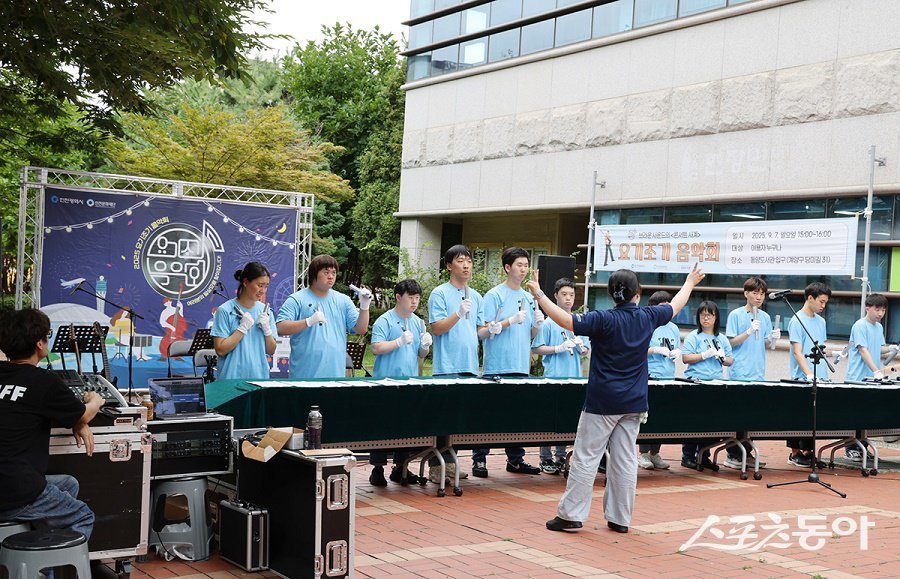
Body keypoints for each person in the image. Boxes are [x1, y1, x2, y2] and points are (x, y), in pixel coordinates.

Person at [532, 264, 705, 533]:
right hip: (634, 402)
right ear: (638, 293)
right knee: (624, 460)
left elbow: (566, 321)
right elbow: (675, 306)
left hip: (602, 401)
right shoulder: (648, 316)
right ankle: (620, 518)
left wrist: (540, 295)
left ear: (611, 294)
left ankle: (571, 515)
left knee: (586, 457)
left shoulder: (602, 319)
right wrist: (690, 282)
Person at [0, 308, 104, 542]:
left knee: (68, 484)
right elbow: (84, 414)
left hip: (8, 483)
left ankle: (43, 545)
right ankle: (53, 563)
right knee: (84, 516)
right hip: (14, 491)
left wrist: (77, 420)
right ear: (39, 343)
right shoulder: (44, 381)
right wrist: (94, 401)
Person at [475, 247, 545, 477]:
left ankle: (515, 460)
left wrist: (538, 324)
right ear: (507, 267)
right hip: (497, 365)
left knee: (517, 415)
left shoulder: (528, 297)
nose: (523, 269)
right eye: (519, 265)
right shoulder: (494, 295)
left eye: (526, 265)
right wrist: (507, 322)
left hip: (520, 365)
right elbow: (483, 331)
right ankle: (479, 460)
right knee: (488, 415)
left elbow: (531, 335)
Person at [368, 279, 432, 486]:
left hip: (408, 381)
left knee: (405, 425)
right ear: (398, 297)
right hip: (385, 382)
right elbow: (376, 348)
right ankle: (377, 468)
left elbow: (420, 354)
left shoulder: (418, 322)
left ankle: (400, 467)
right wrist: (398, 342)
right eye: (410, 297)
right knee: (382, 425)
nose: (414, 302)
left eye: (417, 298)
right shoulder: (385, 320)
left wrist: (425, 346)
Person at [428, 245, 483, 484]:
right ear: (449, 265)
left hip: (469, 365)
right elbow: (438, 328)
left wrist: (493, 329)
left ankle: (450, 463)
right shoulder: (439, 293)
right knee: (443, 417)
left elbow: (479, 330)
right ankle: (436, 466)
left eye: (469, 261)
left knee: (459, 418)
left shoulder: (476, 296)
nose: (466, 265)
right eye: (460, 261)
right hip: (447, 366)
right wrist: (458, 313)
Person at [531, 278, 591, 474]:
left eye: (571, 295)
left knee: (567, 418)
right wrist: (558, 348)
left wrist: (582, 348)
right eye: (564, 294)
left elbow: (586, 349)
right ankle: (545, 457)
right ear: (555, 295)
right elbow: (537, 348)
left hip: (573, 377)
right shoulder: (549, 322)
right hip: (554, 376)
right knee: (550, 417)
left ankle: (561, 456)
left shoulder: (578, 322)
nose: (568, 299)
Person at [276, 255, 372, 379]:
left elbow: (361, 329)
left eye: (334, 272)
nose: (331, 276)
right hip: (304, 375)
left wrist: (364, 306)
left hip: (335, 375)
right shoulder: (296, 299)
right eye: (326, 272)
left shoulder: (344, 300)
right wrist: (308, 321)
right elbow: (280, 327)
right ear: (314, 274)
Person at [723, 277, 778, 469]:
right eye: (755, 293)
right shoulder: (736, 315)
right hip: (739, 371)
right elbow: (730, 343)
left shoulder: (765, 317)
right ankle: (733, 454)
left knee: (751, 416)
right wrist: (748, 331)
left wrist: (773, 338)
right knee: (737, 415)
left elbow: (767, 344)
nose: (759, 297)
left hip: (757, 372)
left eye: (762, 294)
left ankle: (747, 452)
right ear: (746, 293)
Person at [681, 300, 733, 470]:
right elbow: (686, 358)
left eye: (709, 315)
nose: (706, 318)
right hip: (696, 382)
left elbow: (730, 360)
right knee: (693, 420)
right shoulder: (693, 336)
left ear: (716, 317)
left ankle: (704, 455)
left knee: (710, 421)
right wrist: (704, 355)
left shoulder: (722, 338)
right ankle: (688, 456)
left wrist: (723, 358)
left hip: (715, 383)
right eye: (702, 315)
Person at [845, 293, 897, 461]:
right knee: (855, 414)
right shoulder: (860, 326)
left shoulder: (878, 327)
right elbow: (863, 350)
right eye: (877, 309)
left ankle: (863, 447)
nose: (880, 313)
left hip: (872, 379)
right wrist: (876, 370)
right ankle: (851, 448)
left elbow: (878, 348)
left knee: (867, 415)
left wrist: (891, 348)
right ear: (867, 308)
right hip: (857, 377)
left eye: (883, 310)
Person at [786, 281, 832, 467]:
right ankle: (795, 453)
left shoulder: (821, 322)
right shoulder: (796, 320)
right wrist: (808, 374)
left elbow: (821, 348)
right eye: (821, 301)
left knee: (813, 418)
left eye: (825, 302)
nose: (823, 306)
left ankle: (808, 452)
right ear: (810, 298)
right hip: (803, 377)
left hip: (820, 376)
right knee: (799, 417)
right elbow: (797, 352)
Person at [211, 262, 278, 381]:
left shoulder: (266, 312)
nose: (263, 290)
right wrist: (241, 329)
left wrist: (267, 331)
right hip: (231, 379)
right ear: (246, 282)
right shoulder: (225, 310)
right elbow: (220, 350)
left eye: (266, 286)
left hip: (259, 379)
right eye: (260, 285)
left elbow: (271, 350)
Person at [639, 290, 680, 470]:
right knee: (647, 416)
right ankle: (643, 453)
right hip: (650, 375)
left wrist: (676, 353)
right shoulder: (647, 324)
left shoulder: (674, 328)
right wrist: (654, 350)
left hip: (667, 375)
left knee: (663, 416)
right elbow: (638, 351)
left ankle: (655, 453)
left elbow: (674, 347)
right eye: (662, 307)